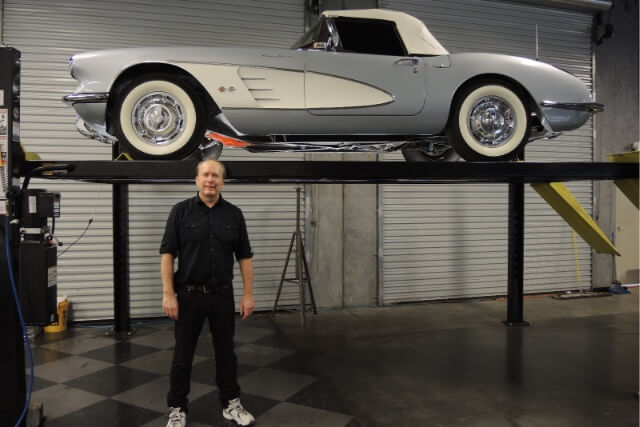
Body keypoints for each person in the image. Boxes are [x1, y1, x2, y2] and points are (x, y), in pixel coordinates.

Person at [160, 159, 256, 427]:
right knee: (183, 355)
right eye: (206, 174)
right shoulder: (180, 212)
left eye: (216, 175)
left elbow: (245, 257)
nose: (210, 179)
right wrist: (169, 293)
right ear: (197, 180)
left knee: (226, 353)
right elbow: (167, 254)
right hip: (188, 295)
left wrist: (248, 295)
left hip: (222, 295)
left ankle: (231, 404)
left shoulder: (234, 215)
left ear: (223, 181)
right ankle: (178, 408)